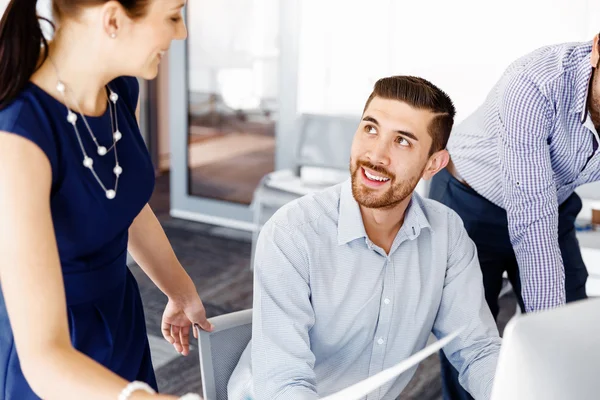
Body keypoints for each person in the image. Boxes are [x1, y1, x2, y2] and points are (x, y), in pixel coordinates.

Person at [227, 76, 502, 400]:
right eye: (370, 129)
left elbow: (478, 349)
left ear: (433, 164)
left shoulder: (446, 234)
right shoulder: (292, 234)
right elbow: (284, 383)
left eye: (402, 141)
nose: (376, 154)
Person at [0, 1, 210, 399]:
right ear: (113, 19)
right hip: (58, 351)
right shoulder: (18, 134)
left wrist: (179, 290)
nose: (180, 33)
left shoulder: (119, 89)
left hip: (120, 316)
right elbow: (44, 356)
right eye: (172, 16)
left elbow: (119, 203)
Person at [429, 35, 600, 400]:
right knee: (471, 338)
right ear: (598, 49)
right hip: (469, 200)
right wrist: (552, 340)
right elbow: (532, 225)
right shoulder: (535, 82)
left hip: (553, 202)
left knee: (572, 320)